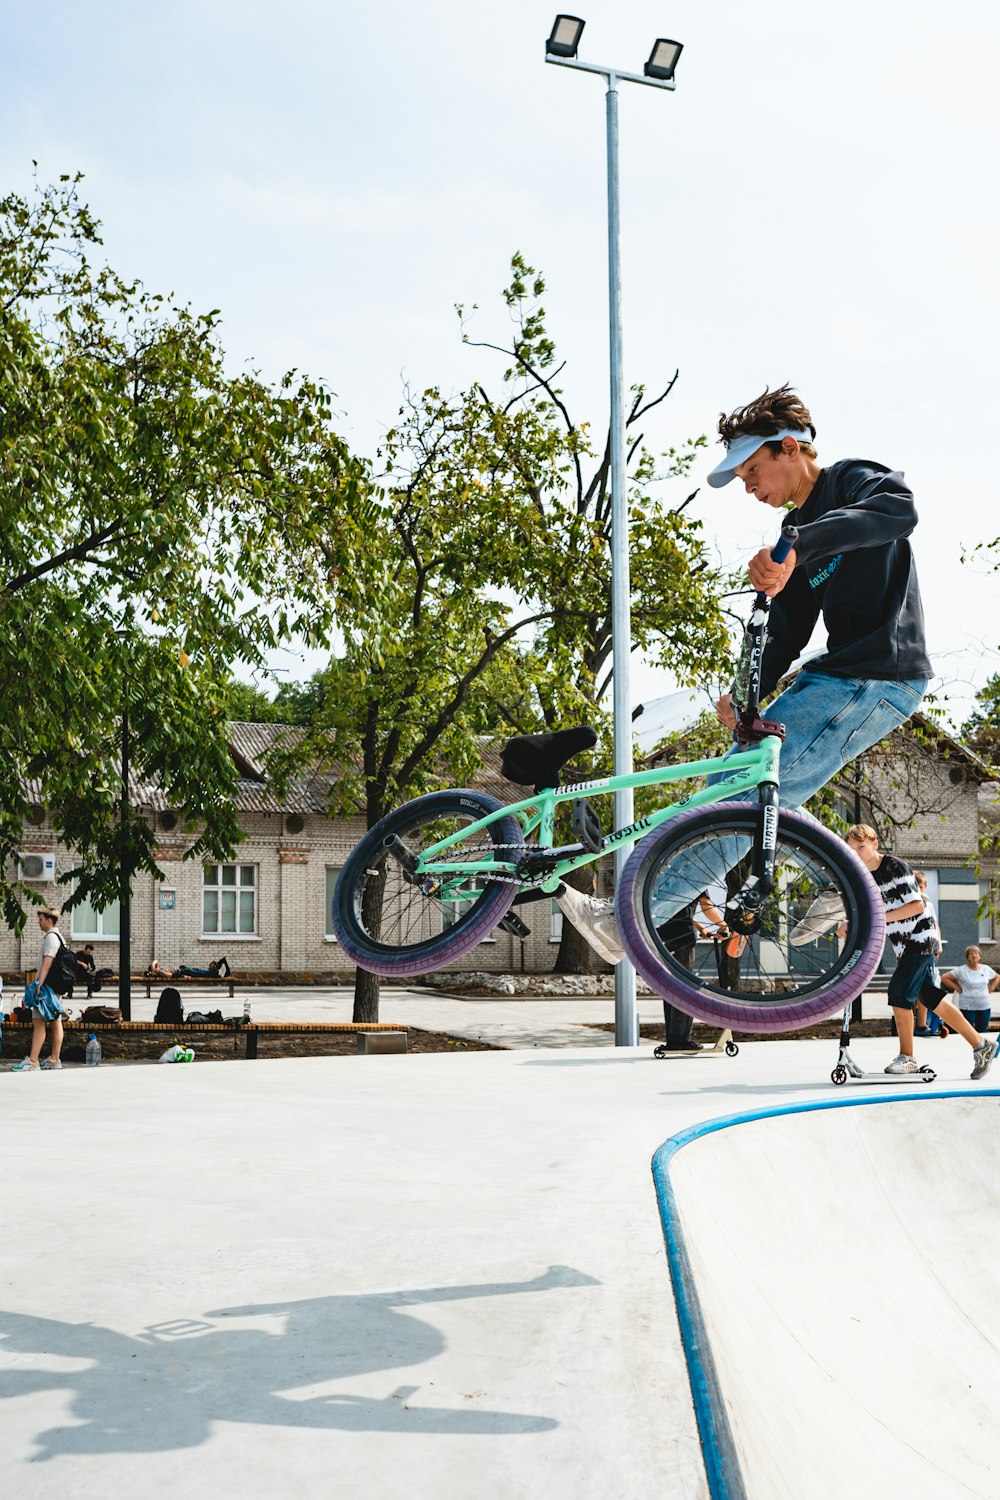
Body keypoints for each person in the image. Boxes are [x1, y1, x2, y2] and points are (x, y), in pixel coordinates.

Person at [842, 826, 994, 1079]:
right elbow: (867, 912)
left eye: (861, 847)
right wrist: (850, 925)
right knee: (932, 998)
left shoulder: (894, 867)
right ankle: (981, 1044)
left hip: (920, 938)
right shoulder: (864, 877)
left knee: (899, 992)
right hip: (904, 945)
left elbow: (915, 906)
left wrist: (877, 918)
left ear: (874, 843)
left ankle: (908, 1057)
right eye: (851, 849)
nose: (857, 853)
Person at [656, 894, 729, 1050]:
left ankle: (673, 1039)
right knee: (685, 989)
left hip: (661, 937)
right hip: (683, 939)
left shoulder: (668, 875)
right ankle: (680, 1041)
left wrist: (700, 927)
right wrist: (722, 925)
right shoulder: (694, 875)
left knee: (670, 989)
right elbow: (706, 904)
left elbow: (678, 910)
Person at [11, 907, 66, 1072]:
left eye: (40, 919)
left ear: (49, 920)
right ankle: (55, 1060)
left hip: (46, 988)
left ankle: (33, 1061)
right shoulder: (60, 937)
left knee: (38, 1021)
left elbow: (47, 963)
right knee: (56, 1021)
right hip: (55, 987)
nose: (38, 922)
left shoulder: (50, 938)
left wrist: (38, 985)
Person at [912, 871, 947, 1036]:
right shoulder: (910, 903)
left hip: (928, 949)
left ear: (925, 887)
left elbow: (935, 926)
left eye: (920, 887)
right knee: (918, 987)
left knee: (928, 986)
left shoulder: (929, 905)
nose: (918, 890)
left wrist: (938, 945)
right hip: (914, 950)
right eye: (915, 887)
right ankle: (919, 1023)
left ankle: (925, 1024)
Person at [940, 946, 999, 1037]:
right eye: (971, 953)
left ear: (980, 956)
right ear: (967, 956)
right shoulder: (962, 970)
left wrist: (991, 988)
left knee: (983, 1032)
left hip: (984, 1006)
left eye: (976, 953)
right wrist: (957, 988)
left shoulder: (985, 969)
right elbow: (944, 978)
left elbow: (997, 977)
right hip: (967, 1007)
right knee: (968, 1031)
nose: (974, 955)